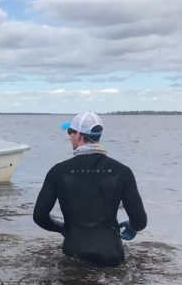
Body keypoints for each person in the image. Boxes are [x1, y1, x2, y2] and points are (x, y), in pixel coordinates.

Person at [33, 112, 147, 267]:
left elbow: (40, 216)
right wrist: (132, 226)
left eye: (70, 132)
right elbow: (140, 221)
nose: (69, 137)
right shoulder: (123, 172)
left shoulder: (58, 171)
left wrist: (63, 228)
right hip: (113, 255)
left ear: (78, 135)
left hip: (74, 252)